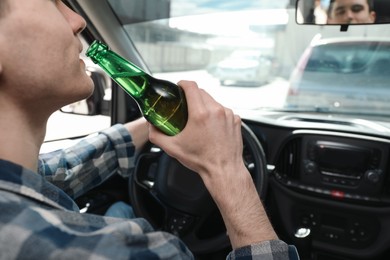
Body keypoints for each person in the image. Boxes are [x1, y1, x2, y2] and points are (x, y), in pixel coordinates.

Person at [0, 0, 299, 259]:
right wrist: (227, 169)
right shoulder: (124, 251)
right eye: (53, 2)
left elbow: (61, 170)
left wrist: (159, 119)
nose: (78, 20)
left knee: (119, 207)